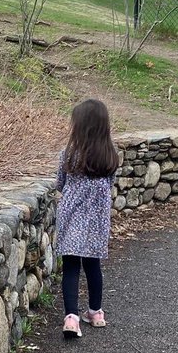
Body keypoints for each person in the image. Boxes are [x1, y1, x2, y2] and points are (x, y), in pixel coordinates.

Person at [55, 98, 119, 339]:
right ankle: (96, 313)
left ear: (79, 126)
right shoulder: (110, 157)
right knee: (93, 265)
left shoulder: (69, 154)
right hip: (97, 221)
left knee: (71, 266)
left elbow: (60, 183)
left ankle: (71, 318)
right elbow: (110, 184)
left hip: (72, 218)